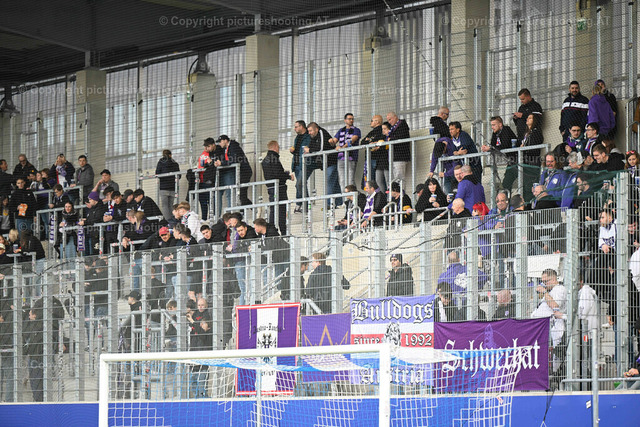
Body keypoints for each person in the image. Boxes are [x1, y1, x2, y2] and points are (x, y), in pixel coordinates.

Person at [531, 269, 567, 372]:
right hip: (542, 328)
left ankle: (557, 375)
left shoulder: (560, 289)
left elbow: (555, 306)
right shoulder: (550, 291)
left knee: (555, 357)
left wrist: (544, 292)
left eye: (546, 281)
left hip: (554, 327)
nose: (544, 284)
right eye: (542, 281)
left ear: (554, 279)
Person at [262, 140, 294, 235]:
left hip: (271, 188)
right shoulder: (274, 158)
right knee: (282, 210)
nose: (279, 149)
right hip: (279, 188)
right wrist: (288, 176)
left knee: (274, 209)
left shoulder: (265, 160)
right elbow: (278, 174)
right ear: (275, 147)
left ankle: (272, 231)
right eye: (278, 147)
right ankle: (283, 232)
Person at [306, 122, 341, 207]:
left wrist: (309, 150)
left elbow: (320, 148)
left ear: (316, 129)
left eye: (310, 131)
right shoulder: (313, 136)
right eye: (308, 131)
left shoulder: (321, 132)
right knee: (334, 182)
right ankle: (339, 202)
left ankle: (328, 204)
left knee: (329, 181)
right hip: (326, 163)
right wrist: (309, 150)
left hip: (331, 161)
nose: (309, 133)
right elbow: (312, 146)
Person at [214, 135, 253, 207]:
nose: (219, 144)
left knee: (241, 195)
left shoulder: (234, 147)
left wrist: (222, 163)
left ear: (225, 140)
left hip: (244, 172)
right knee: (241, 195)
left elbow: (234, 160)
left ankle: (252, 209)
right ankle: (250, 209)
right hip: (238, 173)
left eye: (220, 142)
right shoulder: (226, 149)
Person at [187, 298, 212, 398]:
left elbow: (202, 334)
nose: (200, 307)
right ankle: (197, 400)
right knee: (193, 383)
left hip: (203, 359)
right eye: (199, 305)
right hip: (194, 357)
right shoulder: (195, 315)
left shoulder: (208, 316)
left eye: (202, 305)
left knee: (202, 384)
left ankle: (203, 400)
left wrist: (193, 322)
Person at [331, 113, 361, 189]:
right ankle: (345, 196)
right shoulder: (341, 130)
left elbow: (352, 140)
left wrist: (342, 148)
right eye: (349, 119)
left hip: (351, 157)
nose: (351, 120)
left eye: (352, 119)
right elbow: (334, 141)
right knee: (342, 180)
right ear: (345, 120)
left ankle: (353, 195)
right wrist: (331, 142)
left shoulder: (356, 130)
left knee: (350, 180)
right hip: (341, 158)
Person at [23, 304, 44, 402]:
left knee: (36, 381)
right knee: (33, 380)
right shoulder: (32, 325)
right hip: (33, 356)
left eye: (30, 314)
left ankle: (38, 400)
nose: (28, 316)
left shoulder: (38, 326)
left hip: (37, 357)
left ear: (35, 315)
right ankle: (37, 399)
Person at [359, 115, 385, 190]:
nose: (370, 122)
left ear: (377, 122)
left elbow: (380, 141)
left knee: (377, 180)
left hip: (377, 159)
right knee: (369, 179)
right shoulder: (372, 132)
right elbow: (362, 142)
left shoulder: (381, 130)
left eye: (372, 120)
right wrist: (371, 142)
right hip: (370, 159)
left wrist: (370, 141)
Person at [290, 120, 311, 212]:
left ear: (301, 127)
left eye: (296, 127)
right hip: (297, 164)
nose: (295, 129)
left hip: (305, 164)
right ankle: (303, 204)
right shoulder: (297, 138)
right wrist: (292, 151)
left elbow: (308, 149)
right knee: (300, 184)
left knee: (300, 183)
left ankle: (302, 204)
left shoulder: (308, 136)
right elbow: (297, 151)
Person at [155, 149, 180, 221]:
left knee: (165, 206)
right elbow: (179, 175)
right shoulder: (175, 163)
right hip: (173, 187)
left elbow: (157, 173)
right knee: (171, 205)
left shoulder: (160, 162)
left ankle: (167, 221)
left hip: (163, 187)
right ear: (170, 155)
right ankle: (174, 219)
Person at [385, 112, 411, 182]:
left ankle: (401, 189)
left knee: (400, 178)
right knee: (395, 178)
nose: (389, 122)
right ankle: (396, 189)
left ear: (395, 117)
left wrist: (391, 139)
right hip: (394, 156)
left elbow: (401, 137)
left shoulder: (402, 125)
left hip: (400, 156)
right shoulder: (393, 127)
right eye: (388, 120)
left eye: (390, 119)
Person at [196, 138, 217, 220]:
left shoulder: (212, 154)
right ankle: (204, 218)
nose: (205, 148)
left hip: (208, 179)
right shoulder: (203, 154)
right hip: (201, 180)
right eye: (205, 146)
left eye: (207, 146)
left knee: (210, 199)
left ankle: (212, 216)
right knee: (202, 200)